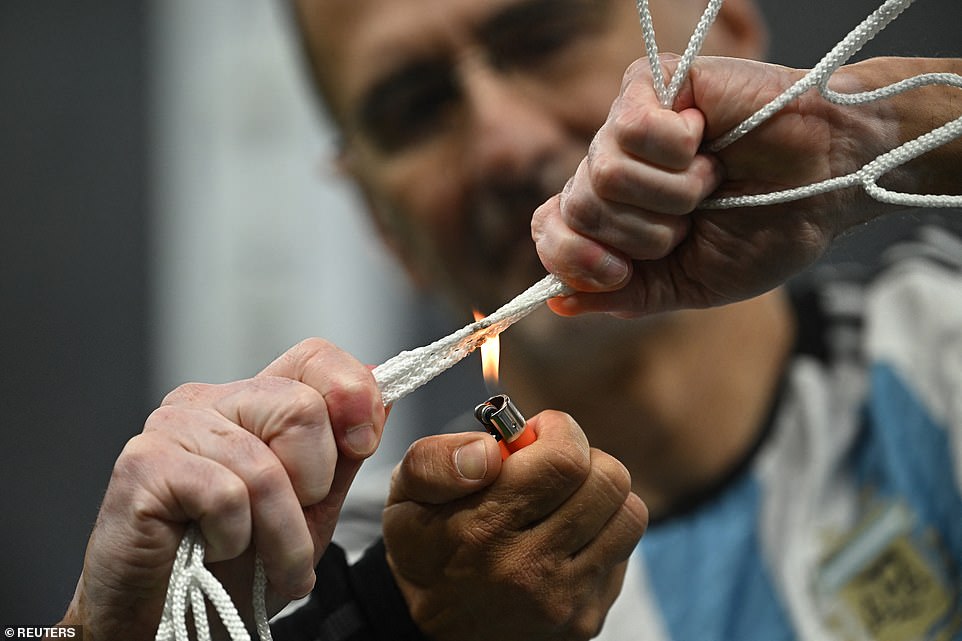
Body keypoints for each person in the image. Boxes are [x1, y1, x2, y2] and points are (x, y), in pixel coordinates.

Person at [58, 0, 962, 639]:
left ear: (724, 29)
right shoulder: (353, 575)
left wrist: (880, 133)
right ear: (379, 218)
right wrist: (102, 632)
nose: (505, 141)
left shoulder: (938, 349)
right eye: (416, 108)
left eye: (545, 33)